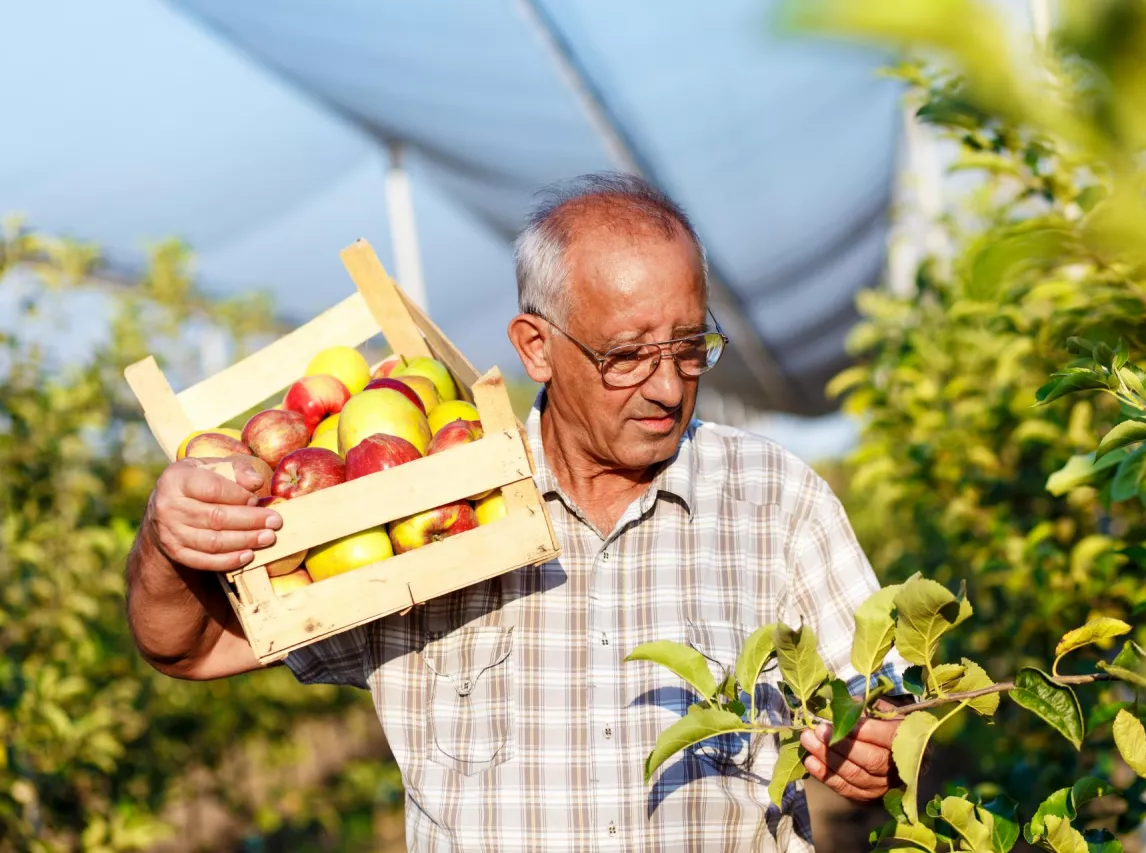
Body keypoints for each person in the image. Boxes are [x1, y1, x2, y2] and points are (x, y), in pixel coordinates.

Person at [126, 173, 906, 851]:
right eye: (626, 355)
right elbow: (189, 648)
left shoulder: (775, 497)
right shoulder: (432, 505)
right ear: (536, 347)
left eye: (690, 347)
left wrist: (876, 745)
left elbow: (890, 703)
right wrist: (169, 542)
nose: (668, 387)